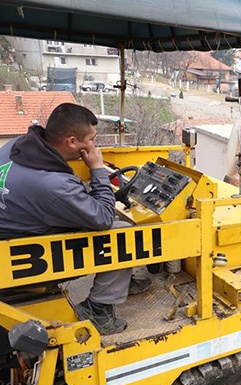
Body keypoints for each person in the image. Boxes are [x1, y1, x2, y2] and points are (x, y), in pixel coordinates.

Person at [0, 103, 149, 335]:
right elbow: (103, 218)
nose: (93, 145)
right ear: (71, 142)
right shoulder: (52, 185)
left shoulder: (16, 146)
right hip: (27, 251)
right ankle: (97, 310)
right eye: (91, 139)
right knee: (122, 234)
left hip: (12, 231)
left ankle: (119, 282)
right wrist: (97, 169)